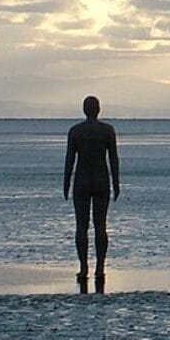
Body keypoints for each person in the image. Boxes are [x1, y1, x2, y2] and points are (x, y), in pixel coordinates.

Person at [63, 96, 120, 290]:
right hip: (101, 181)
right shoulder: (107, 131)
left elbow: (69, 160)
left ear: (84, 110)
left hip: (82, 182)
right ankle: (99, 268)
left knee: (82, 226)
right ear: (99, 109)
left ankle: (84, 268)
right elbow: (114, 159)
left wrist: (65, 183)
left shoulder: (76, 131)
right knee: (100, 225)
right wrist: (116, 182)